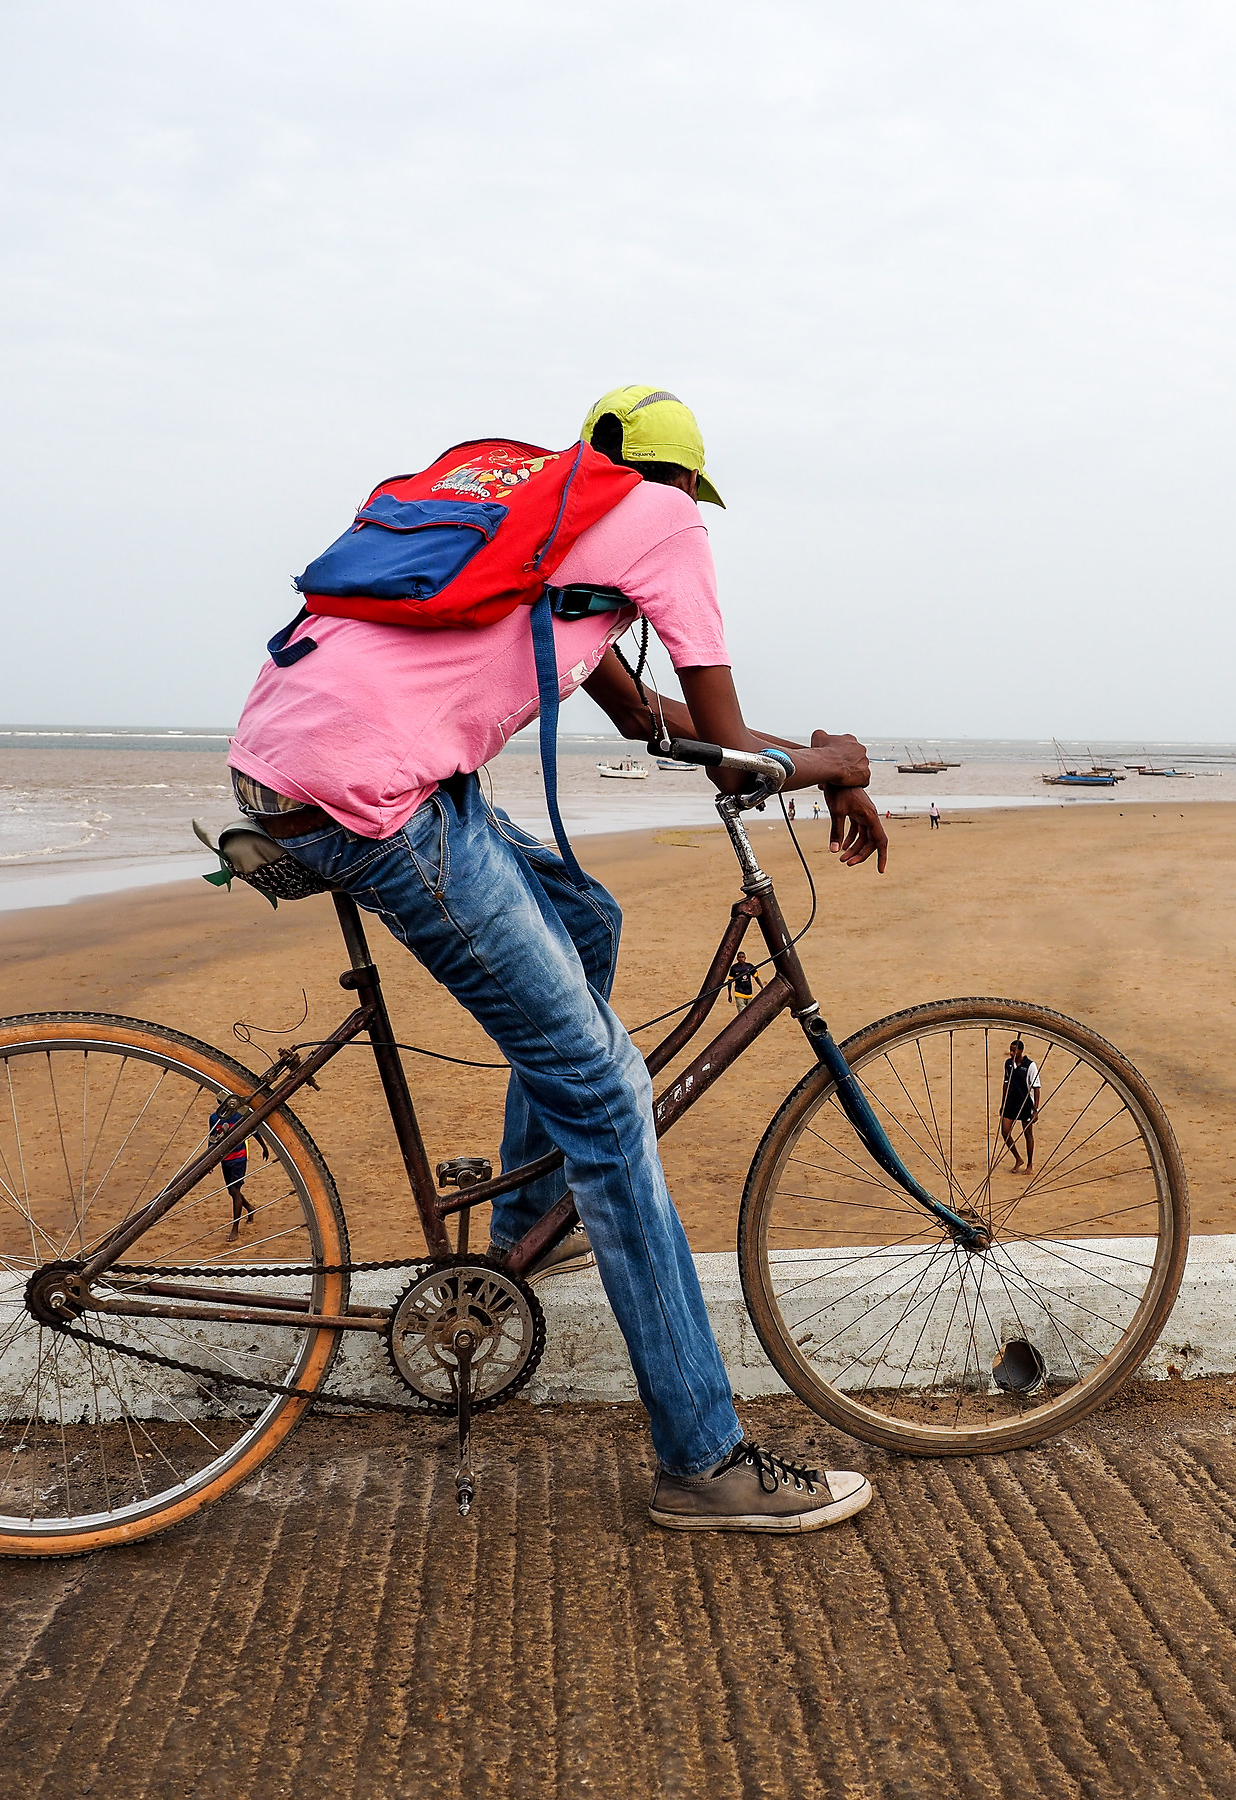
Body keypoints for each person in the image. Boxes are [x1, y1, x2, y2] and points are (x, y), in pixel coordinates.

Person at [227, 385, 885, 1533]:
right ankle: (704, 1460)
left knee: (586, 920)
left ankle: (521, 1229)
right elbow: (732, 758)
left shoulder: (541, 524)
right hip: (376, 800)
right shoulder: (658, 519)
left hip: (296, 767)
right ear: (683, 483)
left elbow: (659, 730)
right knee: (610, 1092)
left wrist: (797, 755)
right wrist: (836, 759)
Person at [208, 1092, 269, 1232]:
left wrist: (264, 1147)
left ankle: (235, 1228)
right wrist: (210, 1160)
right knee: (231, 1190)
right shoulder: (214, 1118)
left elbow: (254, 1131)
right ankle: (249, 1208)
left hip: (239, 1157)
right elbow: (212, 1138)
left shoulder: (239, 1116)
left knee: (235, 1191)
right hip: (225, 1158)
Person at [998, 1037, 1041, 1171]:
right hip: (1011, 1102)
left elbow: (1037, 1088)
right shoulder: (1008, 1064)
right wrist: (1003, 1103)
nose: (1011, 1053)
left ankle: (1029, 1164)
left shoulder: (1030, 1065)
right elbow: (1006, 1083)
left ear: (1021, 1051)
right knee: (1005, 1132)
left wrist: (1035, 1109)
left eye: (1014, 1050)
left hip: (1025, 1103)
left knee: (1028, 1134)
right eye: (1010, 1050)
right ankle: (1018, 1158)